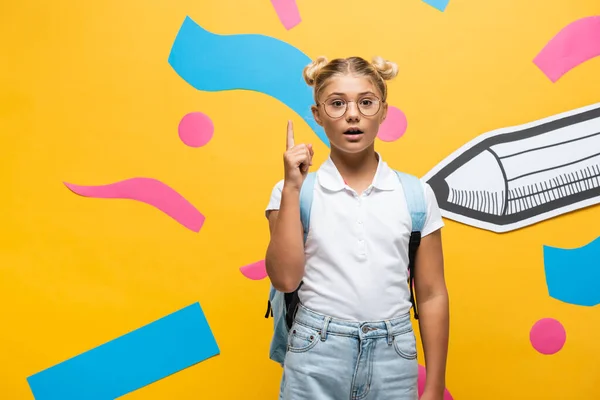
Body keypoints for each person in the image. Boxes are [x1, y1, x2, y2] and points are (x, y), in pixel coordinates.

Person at [264, 55, 449, 400]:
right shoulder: (295, 191)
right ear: (317, 114)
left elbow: (432, 293)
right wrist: (291, 187)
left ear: (383, 111)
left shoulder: (416, 195)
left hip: (394, 357)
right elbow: (285, 279)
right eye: (337, 104)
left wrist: (435, 385)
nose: (352, 115)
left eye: (366, 102)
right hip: (316, 353)